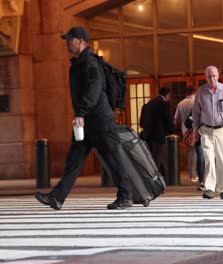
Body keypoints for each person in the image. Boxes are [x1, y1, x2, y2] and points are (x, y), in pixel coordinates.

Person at [35, 26, 133, 210]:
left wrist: (81, 112)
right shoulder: (79, 63)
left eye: (70, 39)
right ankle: (57, 197)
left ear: (80, 41)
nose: (66, 42)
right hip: (86, 121)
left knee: (113, 158)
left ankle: (126, 196)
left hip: (100, 120)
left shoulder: (90, 63)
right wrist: (81, 114)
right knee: (74, 159)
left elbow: (93, 91)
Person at [192, 65, 223, 199]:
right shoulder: (201, 92)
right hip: (206, 130)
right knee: (209, 159)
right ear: (205, 77)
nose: (212, 79)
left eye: (214, 76)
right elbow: (196, 113)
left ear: (218, 76)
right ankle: (210, 188)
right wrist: (195, 130)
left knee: (222, 160)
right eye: (209, 76)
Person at [140, 87, 175, 179]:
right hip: (159, 134)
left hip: (148, 135)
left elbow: (142, 121)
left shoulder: (149, 103)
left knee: (153, 156)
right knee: (159, 156)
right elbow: (167, 118)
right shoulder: (163, 104)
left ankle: (157, 176)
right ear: (167, 95)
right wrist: (173, 130)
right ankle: (158, 177)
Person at [174, 86, 204, 186]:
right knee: (198, 152)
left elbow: (176, 119)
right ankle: (197, 175)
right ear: (195, 92)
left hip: (185, 131)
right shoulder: (197, 102)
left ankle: (192, 174)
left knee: (191, 153)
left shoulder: (180, 103)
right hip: (197, 130)